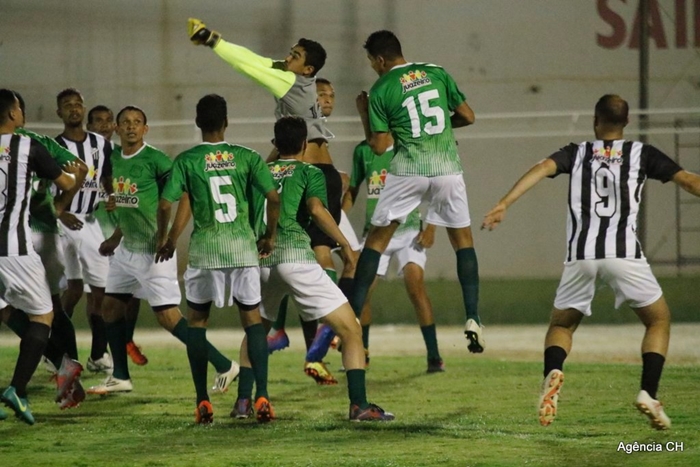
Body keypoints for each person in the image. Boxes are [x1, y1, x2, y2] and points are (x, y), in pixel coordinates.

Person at [482, 94, 700, 430]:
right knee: (658, 321)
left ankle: (553, 372)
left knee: (562, 326)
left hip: (581, 255)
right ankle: (648, 393)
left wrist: (503, 203)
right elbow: (689, 181)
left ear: (595, 120)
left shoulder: (577, 152)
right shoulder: (642, 153)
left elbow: (540, 170)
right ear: (626, 122)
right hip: (624, 255)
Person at [240, 116, 393, 421]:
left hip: (263, 261)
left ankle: (243, 401)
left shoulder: (260, 173)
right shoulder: (310, 171)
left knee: (257, 331)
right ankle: (359, 405)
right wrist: (345, 245)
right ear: (304, 145)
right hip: (296, 259)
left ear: (275, 144)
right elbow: (316, 209)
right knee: (351, 329)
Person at [86, 105, 239, 395]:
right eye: (125, 122)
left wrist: (170, 238)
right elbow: (132, 205)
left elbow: (185, 196)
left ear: (145, 129)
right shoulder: (113, 159)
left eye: (137, 122)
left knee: (169, 318)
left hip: (153, 252)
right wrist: (116, 236)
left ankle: (224, 364)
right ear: (117, 129)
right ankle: (120, 376)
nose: (131, 126)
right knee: (110, 307)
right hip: (127, 250)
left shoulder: (156, 160)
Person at [352, 30, 484, 353]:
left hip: (409, 171)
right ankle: (473, 316)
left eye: (371, 62)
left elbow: (379, 146)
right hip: (447, 169)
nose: (373, 68)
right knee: (463, 242)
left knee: (375, 242)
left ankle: (352, 317)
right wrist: (438, 129)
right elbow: (468, 116)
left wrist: (364, 113)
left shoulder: (381, 88)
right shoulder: (435, 72)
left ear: (380, 60)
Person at [156, 94, 280, 424]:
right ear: (227, 122)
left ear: (198, 122)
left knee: (197, 323)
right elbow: (273, 197)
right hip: (242, 249)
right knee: (252, 320)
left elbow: (166, 203)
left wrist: (166, 238)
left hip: (205, 252)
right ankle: (262, 395)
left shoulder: (187, 160)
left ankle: (203, 401)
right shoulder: (247, 157)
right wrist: (269, 236)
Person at [1, 91, 88, 410]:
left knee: (13, 310)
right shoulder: (32, 144)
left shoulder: (34, 143)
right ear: (14, 114)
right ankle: (63, 373)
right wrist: (60, 204)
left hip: (31, 235)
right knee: (47, 310)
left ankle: (64, 371)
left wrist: (58, 208)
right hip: (24, 239)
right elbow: (74, 174)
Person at [343, 140, 443, 373]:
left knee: (415, 284)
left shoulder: (407, 146)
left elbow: (435, 187)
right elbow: (353, 190)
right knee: (363, 292)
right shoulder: (363, 151)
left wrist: (431, 226)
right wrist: (337, 218)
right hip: (376, 232)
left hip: (408, 229)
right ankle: (362, 352)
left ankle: (434, 356)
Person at [54, 89, 115, 374]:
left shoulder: (100, 144)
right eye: (67, 105)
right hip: (61, 222)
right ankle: (58, 352)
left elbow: (107, 177)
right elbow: (43, 186)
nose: (74, 109)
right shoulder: (54, 147)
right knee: (72, 289)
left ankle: (98, 354)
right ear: (59, 112)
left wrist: (111, 195)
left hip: (90, 223)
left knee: (101, 289)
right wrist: (60, 212)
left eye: (77, 104)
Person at [86, 104, 148, 367]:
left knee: (131, 292)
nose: (104, 125)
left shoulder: (122, 154)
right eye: (98, 120)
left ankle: (125, 340)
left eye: (108, 120)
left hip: (124, 232)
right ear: (89, 126)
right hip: (95, 230)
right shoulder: (83, 154)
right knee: (96, 294)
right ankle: (97, 352)